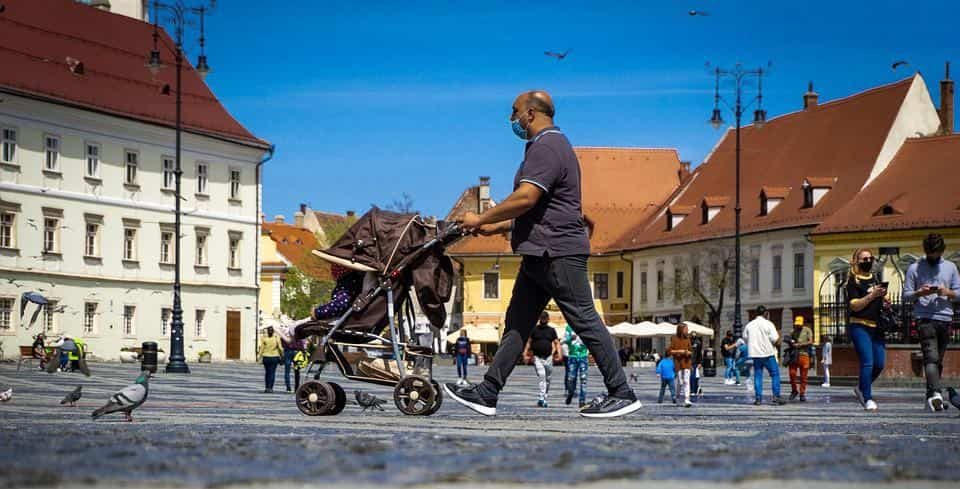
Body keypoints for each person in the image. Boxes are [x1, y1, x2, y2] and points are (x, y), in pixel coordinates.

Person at [445, 90, 640, 418]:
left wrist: (481, 218)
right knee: (517, 324)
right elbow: (543, 212)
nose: (512, 119)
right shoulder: (543, 147)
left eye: (514, 111)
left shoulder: (548, 146)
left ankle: (622, 392)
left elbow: (527, 197)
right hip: (539, 254)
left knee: (585, 319)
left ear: (531, 113)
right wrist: (500, 228)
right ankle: (488, 392)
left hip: (557, 254)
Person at [903, 233, 960, 412]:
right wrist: (919, 293)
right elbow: (906, 295)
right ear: (925, 251)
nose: (933, 258)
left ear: (942, 251)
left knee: (938, 361)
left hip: (944, 318)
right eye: (930, 255)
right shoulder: (914, 268)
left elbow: (959, 293)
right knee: (931, 358)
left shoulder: (951, 267)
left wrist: (947, 292)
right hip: (924, 318)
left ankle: (931, 396)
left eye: (936, 254)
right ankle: (935, 393)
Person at [846, 248, 887, 411]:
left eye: (870, 258)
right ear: (857, 261)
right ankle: (867, 397)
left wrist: (884, 299)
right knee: (868, 362)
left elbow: (878, 301)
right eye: (864, 259)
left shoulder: (876, 278)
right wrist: (872, 295)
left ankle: (861, 387)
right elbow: (854, 305)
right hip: (859, 325)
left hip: (876, 326)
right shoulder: (853, 281)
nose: (868, 261)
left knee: (879, 363)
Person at [743, 306, 787, 406]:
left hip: (755, 354)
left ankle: (758, 398)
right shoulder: (768, 324)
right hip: (768, 354)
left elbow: (745, 338)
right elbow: (775, 339)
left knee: (758, 375)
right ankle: (776, 396)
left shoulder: (749, 325)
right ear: (765, 313)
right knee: (775, 374)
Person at [525, 312, 560, 408]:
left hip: (548, 358)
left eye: (545, 318)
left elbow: (556, 343)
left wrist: (558, 354)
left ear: (548, 319)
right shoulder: (534, 330)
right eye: (542, 318)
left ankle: (545, 396)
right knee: (542, 376)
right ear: (539, 319)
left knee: (548, 379)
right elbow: (529, 342)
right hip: (537, 357)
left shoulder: (551, 330)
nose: (543, 319)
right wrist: (525, 353)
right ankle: (541, 398)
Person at [564, 323, 590, 408]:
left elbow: (590, 340)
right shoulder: (569, 327)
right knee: (571, 378)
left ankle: (582, 400)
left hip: (583, 357)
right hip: (572, 357)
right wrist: (570, 339)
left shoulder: (585, 326)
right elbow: (564, 340)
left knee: (583, 379)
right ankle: (570, 393)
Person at [788, 316, 814, 402]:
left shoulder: (807, 330)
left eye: (799, 324)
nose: (798, 326)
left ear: (803, 323)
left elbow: (810, 341)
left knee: (804, 376)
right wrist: (790, 342)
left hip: (804, 355)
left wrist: (800, 344)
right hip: (794, 355)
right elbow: (789, 341)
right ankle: (794, 390)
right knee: (792, 374)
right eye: (797, 324)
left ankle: (802, 393)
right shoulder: (792, 331)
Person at [668, 323, 693, 407]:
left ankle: (687, 399)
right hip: (678, 362)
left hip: (686, 362)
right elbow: (669, 351)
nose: (687, 331)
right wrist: (680, 351)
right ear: (681, 330)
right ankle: (677, 396)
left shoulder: (688, 339)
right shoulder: (674, 339)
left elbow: (691, 351)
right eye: (686, 329)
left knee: (686, 381)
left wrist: (688, 352)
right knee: (680, 381)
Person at [280, 326, 307, 393]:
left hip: (288, 352)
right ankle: (296, 388)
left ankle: (288, 388)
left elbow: (282, 344)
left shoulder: (285, 335)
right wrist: (303, 352)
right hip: (297, 353)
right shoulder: (297, 335)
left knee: (287, 371)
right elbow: (301, 344)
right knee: (297, 371)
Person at [258, 326, 283, 393]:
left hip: (266, 357)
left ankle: (267, 387)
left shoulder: (264, 338)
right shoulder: (276, 338)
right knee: (272, 373)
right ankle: (270, 388)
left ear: (267, 331)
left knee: (267, 373)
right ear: (273, 331)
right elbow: (280, 348)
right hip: (274, 357)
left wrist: (259, 357)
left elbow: (261, 349)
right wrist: (282, 356)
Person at [690, 332, 703, 400]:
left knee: (693, 376)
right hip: (690, 362)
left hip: (694, 362)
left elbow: (699, 353)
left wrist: (700, 362)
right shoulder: (688, 341)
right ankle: (695, 389)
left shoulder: (698, 343)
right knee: (691, 376)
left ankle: (693, 390)